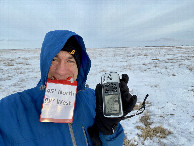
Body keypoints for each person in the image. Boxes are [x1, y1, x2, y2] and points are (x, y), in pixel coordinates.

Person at [0, 30, 137, 146]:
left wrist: (109, 130)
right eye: (54, 59)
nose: (61, 71)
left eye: (70, 60)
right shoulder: (10, 109)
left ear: (80, 67)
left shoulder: (94, 100)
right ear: (44, 62)